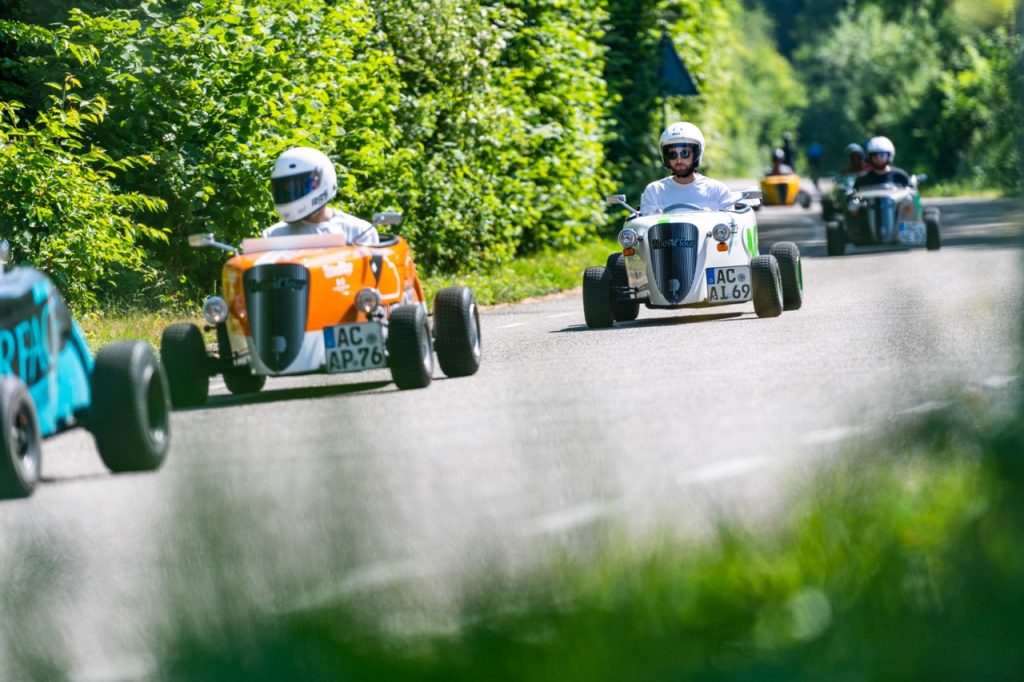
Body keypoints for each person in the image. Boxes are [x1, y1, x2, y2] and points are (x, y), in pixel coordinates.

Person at [263, 146, 379, 244]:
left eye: (298, 187)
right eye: (285, 190)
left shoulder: (359, 231)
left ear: (322, 181)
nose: (290, 193)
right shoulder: (272, 236)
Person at [640, 121, 733, 215]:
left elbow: (733, 223)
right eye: (673, 154)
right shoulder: (654, 191)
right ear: (666, 157)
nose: (679, 160)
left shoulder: (717, 191)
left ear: (696, 154)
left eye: (685, 153)